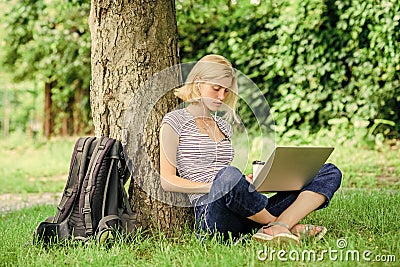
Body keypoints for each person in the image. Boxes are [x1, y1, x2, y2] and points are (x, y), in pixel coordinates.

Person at [159, 54, 342, 244]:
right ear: (198, 82)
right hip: (212, 213)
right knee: (229, 175)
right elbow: (167, 180)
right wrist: (219, 186)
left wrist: (248, 182)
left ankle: (276, 226)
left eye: (226, 91)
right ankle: (278, 226)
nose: (221, 96)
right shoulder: (174, 121)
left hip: (246, 209)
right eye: (216, 89)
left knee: (328, 171)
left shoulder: (223, 126)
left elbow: (227, 178)